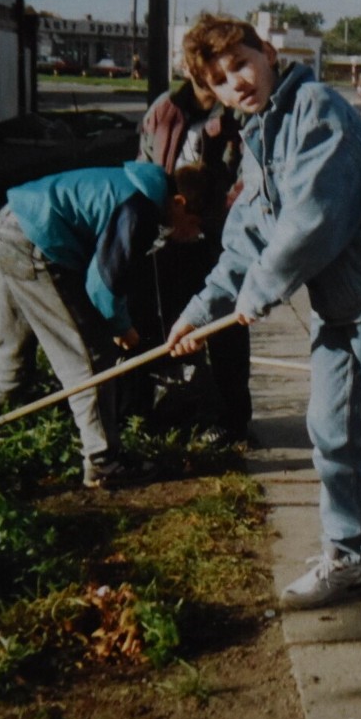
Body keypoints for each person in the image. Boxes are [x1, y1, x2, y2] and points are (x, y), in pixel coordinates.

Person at [166, 15, 361, 624]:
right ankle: (348, 557)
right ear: (213, 92)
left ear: (269, 54)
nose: (236, 82)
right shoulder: (257, 138)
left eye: (242, 64)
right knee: (328, 433)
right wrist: (198, 314)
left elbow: (315, 218)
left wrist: (259, 295)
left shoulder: (319, 109)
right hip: (335, 306)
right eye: (220, 79)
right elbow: (248, 235)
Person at [0, 162, 211, 488]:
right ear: (179, 204)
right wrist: (122, 328)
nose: (191, 235)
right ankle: (104, 460)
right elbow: (101, 285)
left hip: (7, 223)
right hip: (36, 239)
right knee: (89, 356)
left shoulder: (137, 186)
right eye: (193, 225)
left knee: (10, 339)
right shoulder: (140, 208)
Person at [133, 74, 252, 444]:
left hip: (219, 236)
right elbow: (144, 163)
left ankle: (233, 421)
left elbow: (252, 173)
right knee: (171, 325)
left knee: (227, 327)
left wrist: (226, 215)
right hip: (173, 233)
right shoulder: (163, 110)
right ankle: (181, 411)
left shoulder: (236, 112)